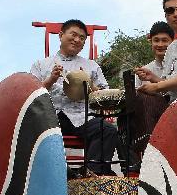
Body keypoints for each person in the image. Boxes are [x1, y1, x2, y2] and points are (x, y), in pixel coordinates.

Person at [30, 19, 116, 175]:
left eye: (82, 38)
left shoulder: (91, 66)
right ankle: (57, 175)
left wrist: (89, 84)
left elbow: (105, 96)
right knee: (32, 132)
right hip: (52, 117)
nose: (77, 40)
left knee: (107, 130)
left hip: (83, 116)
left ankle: (92, 175)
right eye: (73, 35)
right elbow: (32, 95)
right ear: (61, 35)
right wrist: (51, 80)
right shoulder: (41, 65)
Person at [135, 22, 174, 89]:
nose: (160, 45)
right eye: (156, 40)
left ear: (173, 42)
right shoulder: (142, 73)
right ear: (151, 42)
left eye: (164, 40)